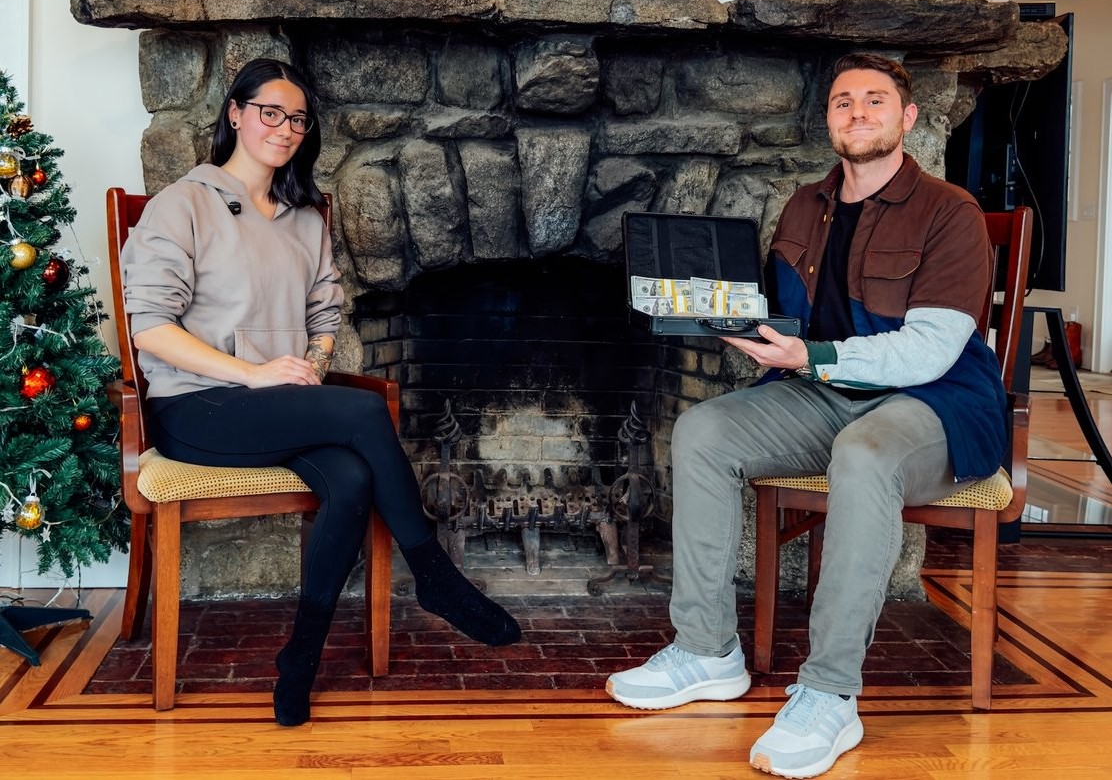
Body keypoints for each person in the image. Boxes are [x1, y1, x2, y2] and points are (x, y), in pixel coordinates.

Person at [606, 53, 1006, 778]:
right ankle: (706, 649)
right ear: (828, 121)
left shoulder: (952, 213)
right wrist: (709, 314)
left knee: (864, 452)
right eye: (843, 102)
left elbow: (928, 350)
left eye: (875, 101)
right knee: (703, 430)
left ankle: (829, 694)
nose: (858, 113)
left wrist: (812, 356)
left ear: (907, 118)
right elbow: (779, 320)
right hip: (824, 393)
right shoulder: (802, 206)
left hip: (935, 402)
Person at [121, 58, 521, 727]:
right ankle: (435, 575)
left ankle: (299, 659)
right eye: (270, 112)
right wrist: (252, 372)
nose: (285, 127)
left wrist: (312, 361)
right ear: (235, 114)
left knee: (353, 475)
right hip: (196, 406)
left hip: (271, 405)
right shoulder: (183, 202)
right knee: (364, 406)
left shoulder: (306, 217)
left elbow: (325, 311)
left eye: (298, 118)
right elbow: (151, 329)